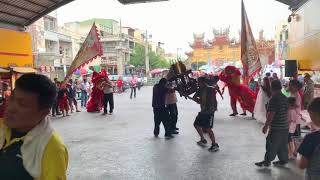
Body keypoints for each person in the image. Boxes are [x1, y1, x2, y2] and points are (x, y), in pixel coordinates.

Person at [0, 74, 68, 179]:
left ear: (43, 113)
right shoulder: (2, 126)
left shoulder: (52, 148)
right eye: (12, 98)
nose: (11, 108)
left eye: (22, 104)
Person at [255, 80, 289, 167]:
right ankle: (283, 160)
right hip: (285, 126)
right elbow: (286, 110)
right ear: (280, 87)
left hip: (276, 127)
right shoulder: (284, 97)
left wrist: (266, 126)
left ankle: (267, 161)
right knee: (282, 144)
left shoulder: (274, 98)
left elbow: (271, 114)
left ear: (271, 87)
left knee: (271, 143)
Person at [192, 77, 219, 152]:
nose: (198, 83)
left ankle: (214, 144)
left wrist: (211, 108)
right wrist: (198, 100)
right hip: (203, 111)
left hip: (209, 112)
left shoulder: (210, 89)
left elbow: (213, 101)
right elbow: (194, 97)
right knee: (196, 125)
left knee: (208, 128)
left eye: (199, 82)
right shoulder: (199, 89)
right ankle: (203, 139)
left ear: (203, 82)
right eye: (197, 82)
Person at [298, 97, 320, 180]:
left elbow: (302, 165)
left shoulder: (311, 138)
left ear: (315, 115)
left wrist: (300, 153)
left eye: (311, 116)